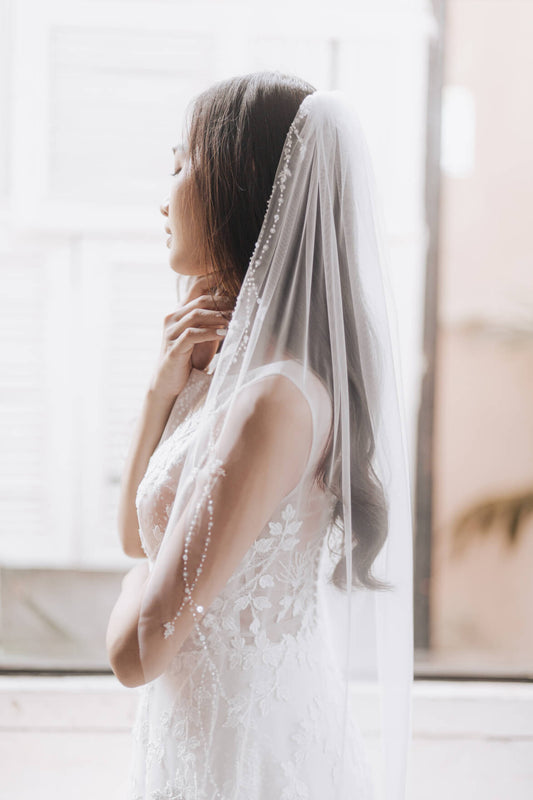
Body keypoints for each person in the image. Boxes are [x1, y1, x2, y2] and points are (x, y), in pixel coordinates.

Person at [107, 71, 413, 800]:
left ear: (240, 189)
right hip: (195, 737)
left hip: (244, 759)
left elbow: (138, 652)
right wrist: (160, 393)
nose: (164, 194)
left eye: (182, 165)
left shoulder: (274, 399)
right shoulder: (227, 374)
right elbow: (137, 537)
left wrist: (132, 589)